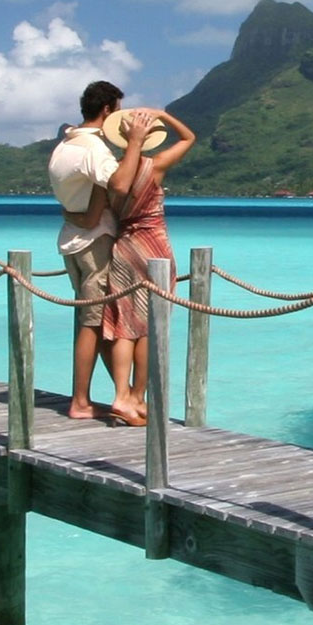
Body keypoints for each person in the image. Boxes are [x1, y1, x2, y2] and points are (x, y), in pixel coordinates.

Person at [46, 81, 146, 426]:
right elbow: (118, 184)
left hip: (73, 237)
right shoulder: (93, 149)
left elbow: (80, 198)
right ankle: (81, 401)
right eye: (117, 112)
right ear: (107, 111)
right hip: (95, 241)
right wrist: (134, 143)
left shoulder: (63, 147)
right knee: (91, 324)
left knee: (96, 319)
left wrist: (78, 216)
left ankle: (125, 394)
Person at [98, 107, 196, 418]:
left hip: (123, 248)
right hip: (154, 249)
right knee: (149, 326)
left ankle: (120, 395)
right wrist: (162, 115)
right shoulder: (156, 166)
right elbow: (189, 137)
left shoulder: (114, 173)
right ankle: (138, 398)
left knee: (125, 325)